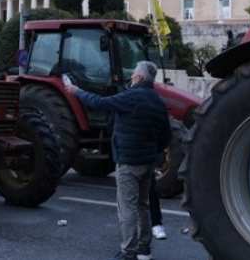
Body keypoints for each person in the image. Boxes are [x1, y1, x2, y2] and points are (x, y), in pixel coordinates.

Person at [65, 61, 171, 260]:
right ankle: (144, 249)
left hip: (128, 162)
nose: (131, 77)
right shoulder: (157, 100)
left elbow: (99, 103)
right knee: (143, 205)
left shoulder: (131, 96)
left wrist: (76, 91)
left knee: (127, 208)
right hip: (147, 163)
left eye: (133, 74)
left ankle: (128, 251)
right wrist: (153, 152)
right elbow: (166, 135)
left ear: (139, 77)